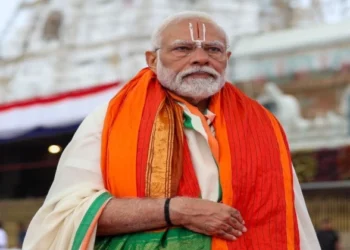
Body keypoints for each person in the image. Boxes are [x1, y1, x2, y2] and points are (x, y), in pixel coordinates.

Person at [23, 11, 321, 250]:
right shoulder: (109, 120)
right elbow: (68, 216)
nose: (201, 58)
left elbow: (293, 221)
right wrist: (175, 210)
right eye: (183, 48)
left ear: (226, 60)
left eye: (213, 50)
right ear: (152, 60)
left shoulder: (263, 125)